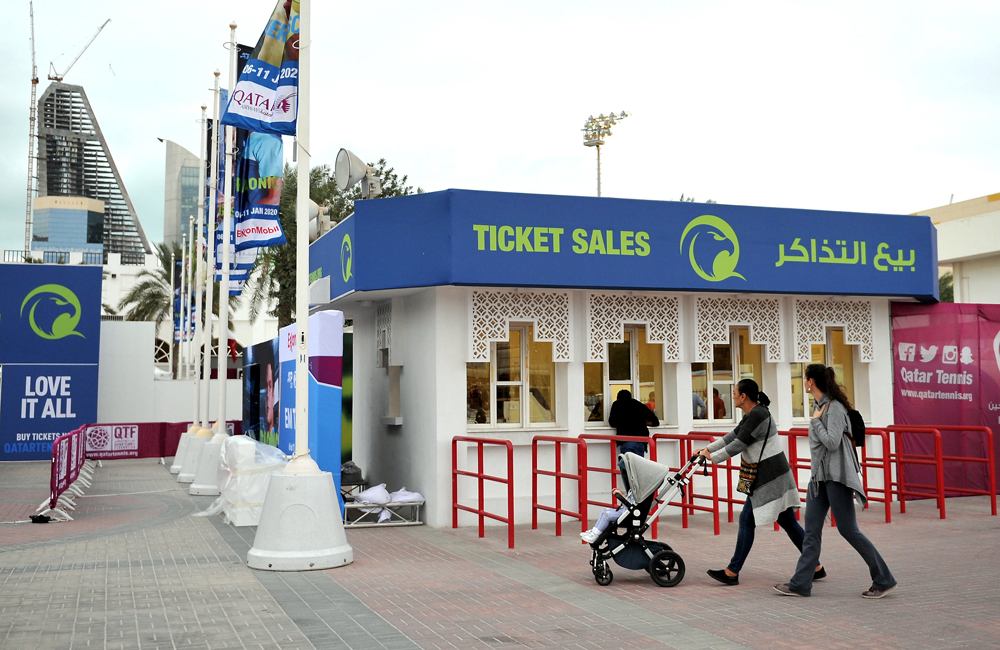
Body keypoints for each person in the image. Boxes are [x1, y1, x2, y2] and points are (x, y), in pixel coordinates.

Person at [774, 364, 897, 599]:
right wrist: (817, 418)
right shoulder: (820, 406)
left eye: (805, 378)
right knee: (811, 530)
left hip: (837, 477)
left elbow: (831, 442)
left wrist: (815, 422)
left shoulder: (835, 408)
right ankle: (800, 584)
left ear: (811, 382)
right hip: (819, 478)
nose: (804, 382)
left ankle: (884, 579)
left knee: (849, 530)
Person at [695, 379, 822, 586]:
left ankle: (732, 571)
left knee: (747, 520)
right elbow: (732, 436)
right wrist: (707, 449)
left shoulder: (758, 414)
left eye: (735, 392)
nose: (733, 395)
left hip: (769, 476)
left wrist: (712, 457)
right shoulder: (753, 413)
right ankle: (815, 565)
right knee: (788, 522)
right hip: (771, 474)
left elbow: (739, 444)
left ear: (744, 396)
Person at [608, 389, 658, 490]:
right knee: (638, 469)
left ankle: (631, 493)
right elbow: (655, 422)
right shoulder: (638, 405)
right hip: (641, 441)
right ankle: (640, 493)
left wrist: (622, 422)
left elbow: (612, 422)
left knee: (627, 470)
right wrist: (643, 422)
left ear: (618, 397)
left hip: (626, 441)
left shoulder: (617, 404)